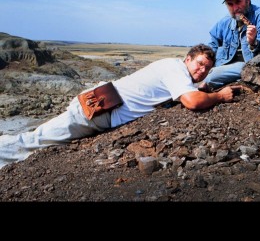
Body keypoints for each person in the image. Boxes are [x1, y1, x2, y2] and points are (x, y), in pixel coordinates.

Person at [0, 44, 241, 169]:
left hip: (99, 106)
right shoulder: (176, 70)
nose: (202, 71)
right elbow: (191, 102)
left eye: (207, 69)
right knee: (36, 140)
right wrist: (220, 96)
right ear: (187, 59)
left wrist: (201, 89)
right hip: (96, 111)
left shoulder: (176, 72)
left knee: (40, 139)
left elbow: (183, 93)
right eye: (199, 64)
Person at [200, 0, 260, 91]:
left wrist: (253, 42)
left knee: (214, 75)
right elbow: (212, 44)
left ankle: (208, 83)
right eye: (230, 4)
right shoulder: (224, 22)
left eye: (238, 2)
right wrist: (204, 59)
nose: (235, 8)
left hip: (250, 65)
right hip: (225, 64)